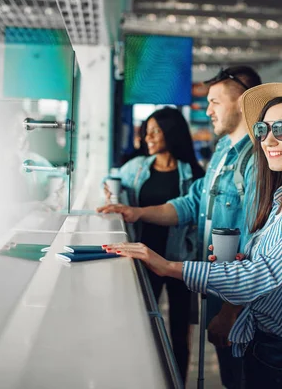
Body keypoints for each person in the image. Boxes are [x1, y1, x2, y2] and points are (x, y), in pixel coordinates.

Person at [103, 78, 282, 389]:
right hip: (256, 345)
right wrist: (237, 260)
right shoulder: (280, 199)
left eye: (281, 129)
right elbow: (261, 262)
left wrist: (170, 267)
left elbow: (266, 273)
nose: (267, 141)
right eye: (263, 130)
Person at [98, 66, 262, 389]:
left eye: (215, 101)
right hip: (217, 290)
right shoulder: (220, 157)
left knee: (243, 380)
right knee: (231, 379)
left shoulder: (255, 162)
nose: (208, 110)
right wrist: (136, 212)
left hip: (239, 303)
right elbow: (190, 204)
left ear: (243, 101)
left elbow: (256, 244)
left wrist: (230, 312)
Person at [104, 106, 204, 383]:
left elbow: (195, 212)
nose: (147, 137)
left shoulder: (192, 175)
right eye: (146, 131)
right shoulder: (136, 168)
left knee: (180, 331)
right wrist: (109, 193)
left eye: (154, 131)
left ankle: (178, 382)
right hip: (142, 256)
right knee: (143, 322)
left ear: (170, 134)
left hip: (179, 259)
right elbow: (109, 181)